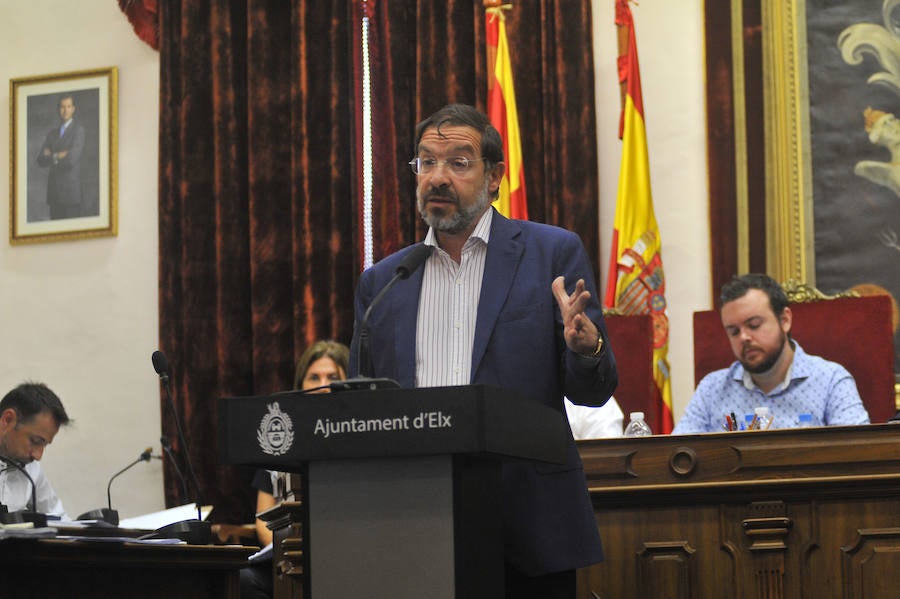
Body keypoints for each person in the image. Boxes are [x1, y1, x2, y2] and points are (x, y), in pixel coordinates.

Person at [349, 103, 617, 598]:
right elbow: (362, 410)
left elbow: (593, 393)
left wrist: (586, 347)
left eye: (458, 162)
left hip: (528, 527)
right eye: (426, 162)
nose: (438, 177)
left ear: (494, 177)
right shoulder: (384, 282)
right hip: (414, 527)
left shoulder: (550, 254)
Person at [672, 274, 870, 434]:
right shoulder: (712, 389)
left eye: (754, 325)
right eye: (733, 331)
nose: (744, 337)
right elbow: (677, 458)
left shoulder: (831, 381)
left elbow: (859, 456)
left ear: (784, 320)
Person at [240, 340, 350, 599]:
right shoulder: (278, 441)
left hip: (344, 553)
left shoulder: (360, 437)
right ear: (301, 384)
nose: (323, 385)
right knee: (243, 581)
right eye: (314, 377)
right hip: (285, 558)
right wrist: (284, 554)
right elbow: (263, 520)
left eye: (332, 377)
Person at [0, 382, 70, 518]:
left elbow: (59, 520)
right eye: (36, 441)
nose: (38, 456)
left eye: (44, 445)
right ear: (7, 420)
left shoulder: (30, 467)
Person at [35, 93, 85, 220]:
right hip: (54, 194)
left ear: (73, 109)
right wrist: (58, 155)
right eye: (62, 107)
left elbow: (71, 160)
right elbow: (41, 160)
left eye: (68, 106)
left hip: (70, 195)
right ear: (58, 109)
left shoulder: (78, 131)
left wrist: (51, 156)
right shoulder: (52, 134)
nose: (65, 110)